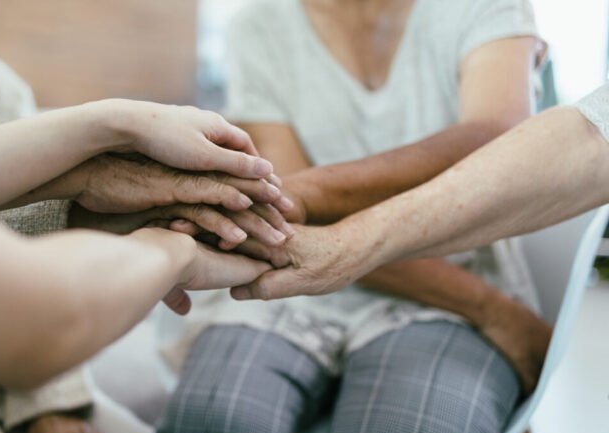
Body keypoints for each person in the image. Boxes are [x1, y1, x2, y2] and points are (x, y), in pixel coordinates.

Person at [0, 1, 288, 433]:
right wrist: (172, 245)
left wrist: (50, 404)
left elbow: (36, 231)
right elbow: (37, 311)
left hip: (8, 385)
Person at [157, 0, 549, 433]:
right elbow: (288, 224)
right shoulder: (259, 25)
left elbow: (499, 143)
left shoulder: (483, 7)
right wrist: (494, 311)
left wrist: (486, 309)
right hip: (293, 292)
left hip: (445, 294)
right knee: (213, 426)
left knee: (405, 432)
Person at [235, 83, 609, 301]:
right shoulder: (259, 24)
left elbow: (581, 144)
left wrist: (344, 241)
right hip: (308, 290)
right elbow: (589, 138)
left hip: (441, 293)